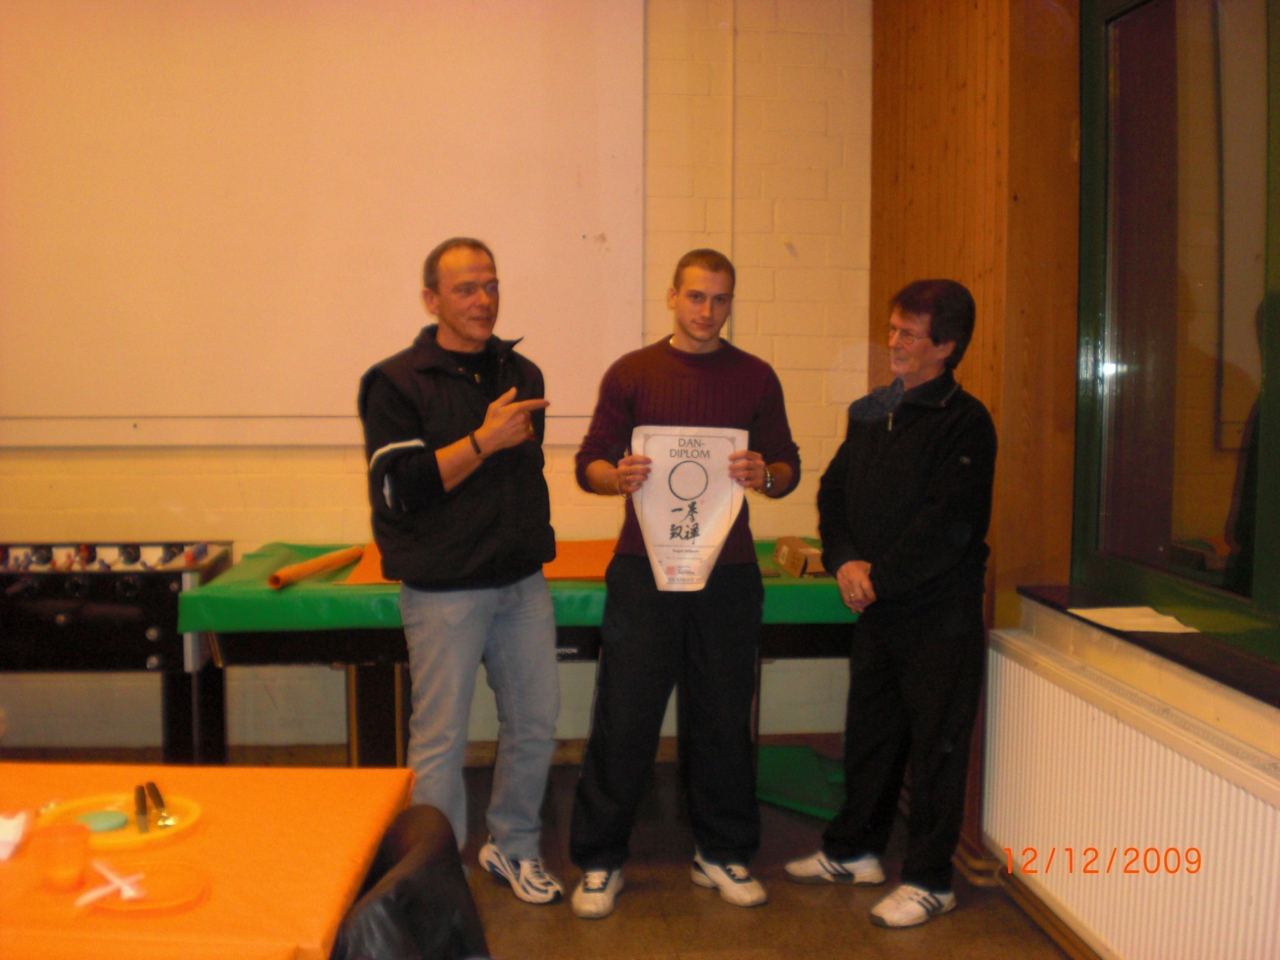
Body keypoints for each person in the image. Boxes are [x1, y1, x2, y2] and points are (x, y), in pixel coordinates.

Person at [568, 249, 801, 919]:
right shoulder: (632, 372)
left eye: (720, 299)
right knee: (625, 714)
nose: (707, 310)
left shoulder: (756, 377)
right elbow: (589, 462)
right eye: (696, 296)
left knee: (724, 715)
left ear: (731, 303)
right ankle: (601, 860)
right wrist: (615, 477)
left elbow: (787, 466)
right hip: (645, 568)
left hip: (728, 573)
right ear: (673, 296)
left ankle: (721, 852)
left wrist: (766, 475)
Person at [357, 237, 563, 905]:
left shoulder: (523, 373)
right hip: (444, 590)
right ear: (432, 299)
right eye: (466, 288)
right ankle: (434, 875)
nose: (483, 300)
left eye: (491, 285)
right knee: (441, 741)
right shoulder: (395, 382)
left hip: (521, 582)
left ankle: (514, 847)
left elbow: (520, 474)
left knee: (535, 724)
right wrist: (482, 441)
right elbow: (399, 489)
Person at [785, 279, 996, 928]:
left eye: (908, 333)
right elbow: (833, 493)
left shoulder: (966, 422)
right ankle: (854, 852)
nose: (894, 342)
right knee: (870, 737)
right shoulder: (872, 410)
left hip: (939, 616)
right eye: (892, 329)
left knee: (936, 750)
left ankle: (931, 882)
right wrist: (845, 559)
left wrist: (877, 578)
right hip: (877, 609)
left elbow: (947, 524)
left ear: (946, 346)